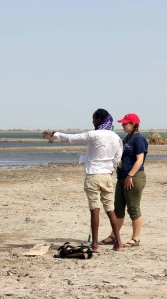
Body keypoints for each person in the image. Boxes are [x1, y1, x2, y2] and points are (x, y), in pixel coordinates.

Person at [42, 108, 123, 252]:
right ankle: (119, 243)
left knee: (95, 210)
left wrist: (55, 134)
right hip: (107, 176)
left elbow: (72, 138)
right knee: (110, 209)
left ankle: (95, 244)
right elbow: (117, 159)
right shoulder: (116, 137)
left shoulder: (94, 134)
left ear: (98, 119)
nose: (92, 121)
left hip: (93, 175)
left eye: (93, 119)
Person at [99, 113, 148, 248]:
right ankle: (113, 236)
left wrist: (130, 176)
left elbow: (140, 160)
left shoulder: (138, 139)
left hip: (134, 177)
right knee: (118, 208)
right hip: (122, 178)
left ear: (133, 124)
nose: (122, 124)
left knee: (133, 208)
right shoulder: (127, 138)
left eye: (125, 123)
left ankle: (136, 239)